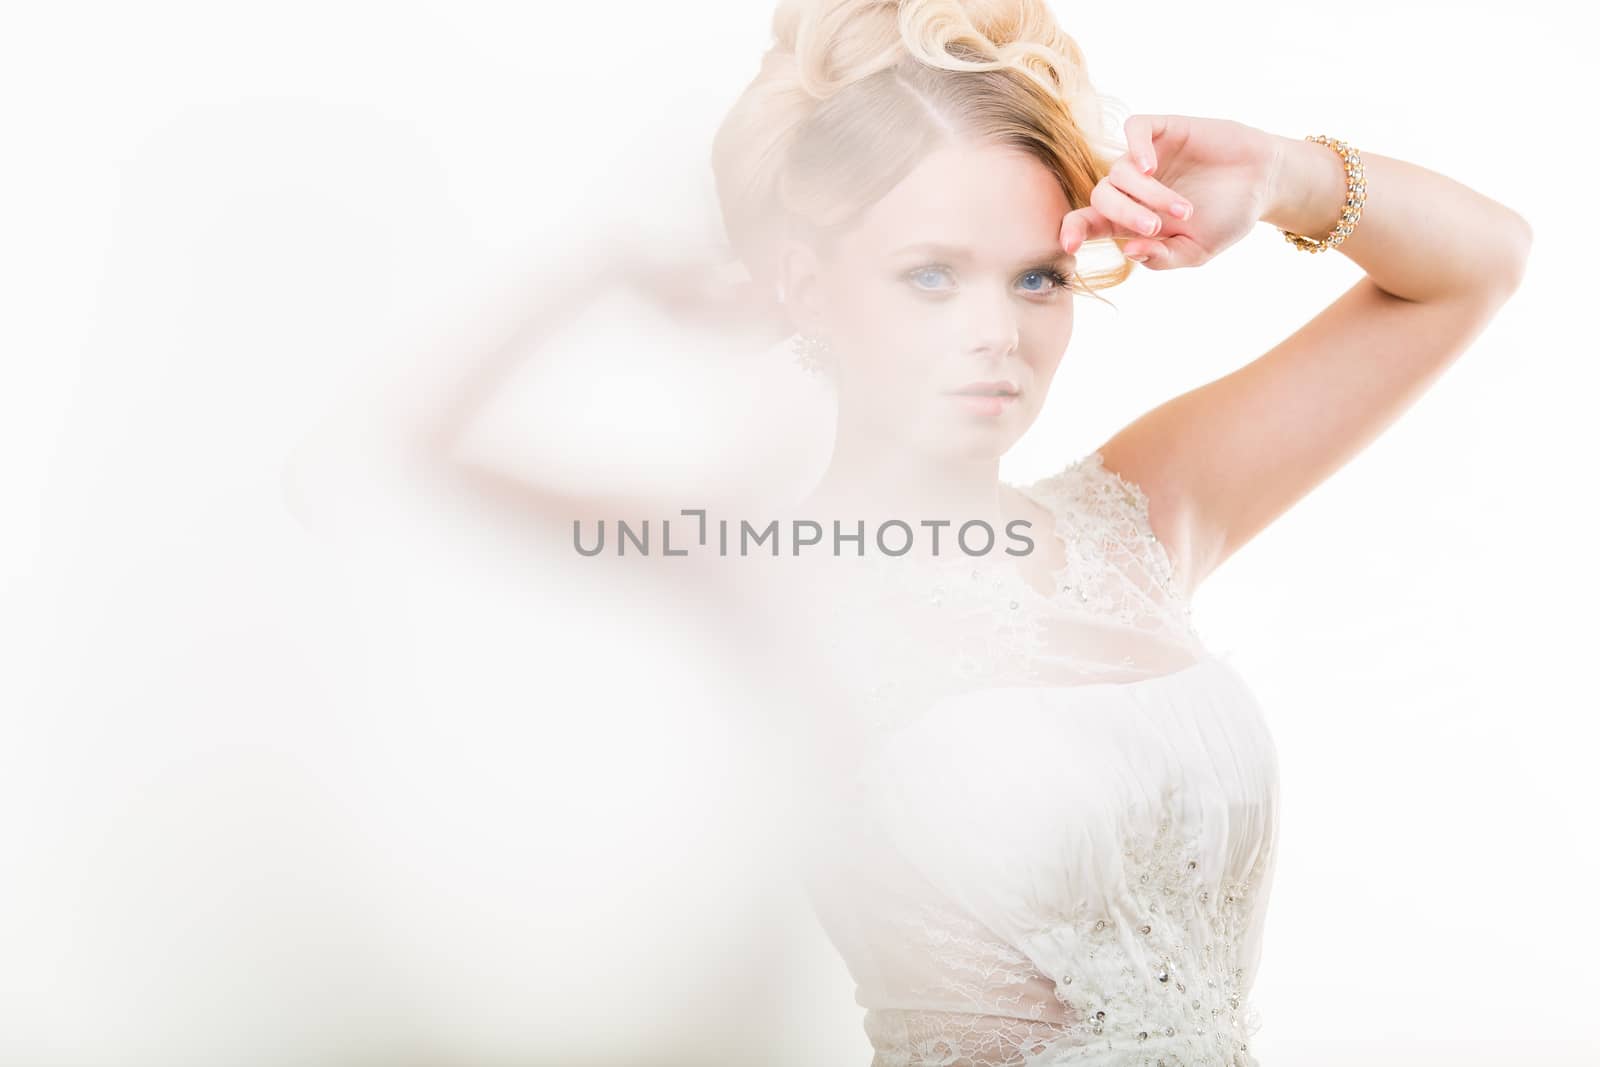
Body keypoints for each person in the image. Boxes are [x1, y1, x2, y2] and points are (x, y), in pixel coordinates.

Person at [298, 0, 1530, 1062]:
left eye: (1034, 277)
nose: (997, 331)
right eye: (932, 274)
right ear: (801, 285)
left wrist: (1281, 177)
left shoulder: (1144, 511)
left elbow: (1479, 265)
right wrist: (611, 269)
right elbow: (410, 446)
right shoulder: (766, 571)